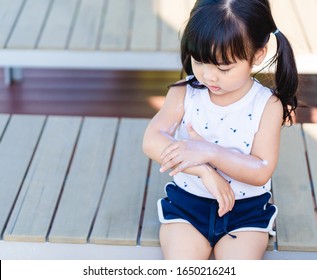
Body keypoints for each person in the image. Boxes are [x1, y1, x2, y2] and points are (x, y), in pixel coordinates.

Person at [143, 0, 298, 260]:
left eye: (224, 67)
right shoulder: (184, 92)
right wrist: (203, 171)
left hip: (245, 212)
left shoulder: (267, 104)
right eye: (200, 62)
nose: (209, 76)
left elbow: (261, 169)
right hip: (188, 206)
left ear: (257, 54)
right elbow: (151, 141)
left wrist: (209, 152)